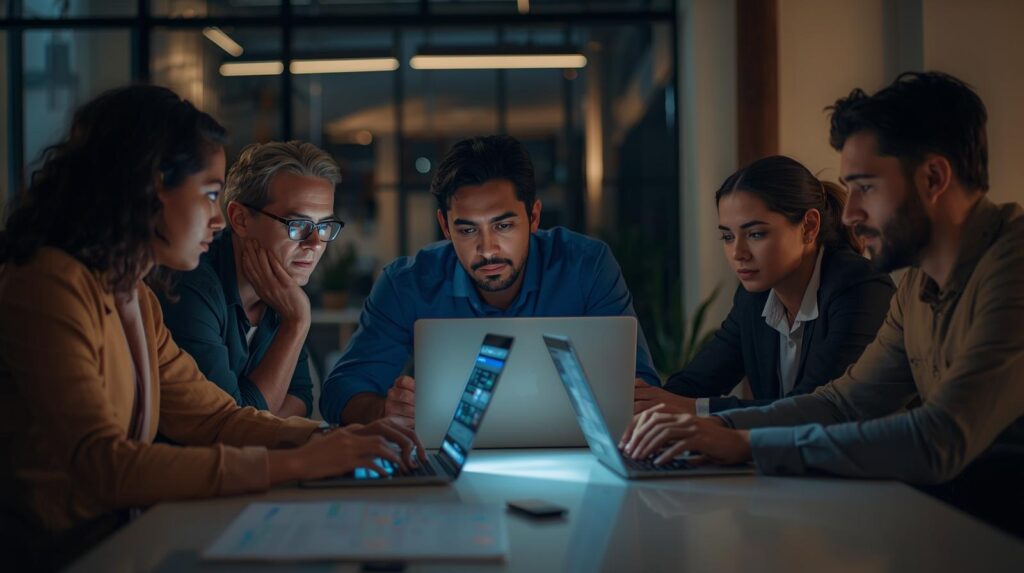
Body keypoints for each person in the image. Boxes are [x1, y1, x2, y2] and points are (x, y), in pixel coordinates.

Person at [0, 85, 423, 569]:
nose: (217, 219)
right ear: (148, 188)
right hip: (61, 555)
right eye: (209, 194)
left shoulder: (133, 295)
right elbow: (105, 465)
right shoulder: (49, 283)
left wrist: (327, 439)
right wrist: (301, 460)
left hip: (125, 537)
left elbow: (214, 418)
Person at [621, 72, 1024, 537]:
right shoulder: (916, 284)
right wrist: (719, 426)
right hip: (948, 527)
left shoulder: (1011, 268)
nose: (850, 213)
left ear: (933, 177)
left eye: (866, 187)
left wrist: (746, 443)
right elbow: (841, 402)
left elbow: (940, 438)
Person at [320, 135, 660, 426]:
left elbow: (638, 387)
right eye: (467, 230)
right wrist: (384, 410)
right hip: (451, 470)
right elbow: (340, 391)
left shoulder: (586, 266)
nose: (487, 250)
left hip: (576, 459)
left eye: (503, 226)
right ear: (445, 226)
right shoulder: (407, 284)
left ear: (534, 216)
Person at [633, 155, 894, 416]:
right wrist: (646, 402)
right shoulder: (754, 298)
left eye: (756, 234)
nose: (738, 253)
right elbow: (698, 381)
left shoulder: (861, 288)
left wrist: (695, 408)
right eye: (727, 236)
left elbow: (816, 407)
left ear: (809, 227)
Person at [158, 141, 343, 418]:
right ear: (240, 219)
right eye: (298, 225)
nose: (315, 243)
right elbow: (231, 424)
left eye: (324, 226)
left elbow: (302, 397)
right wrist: (296, 323)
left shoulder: (281, 287)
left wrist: (257, 411)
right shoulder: (191, 286)